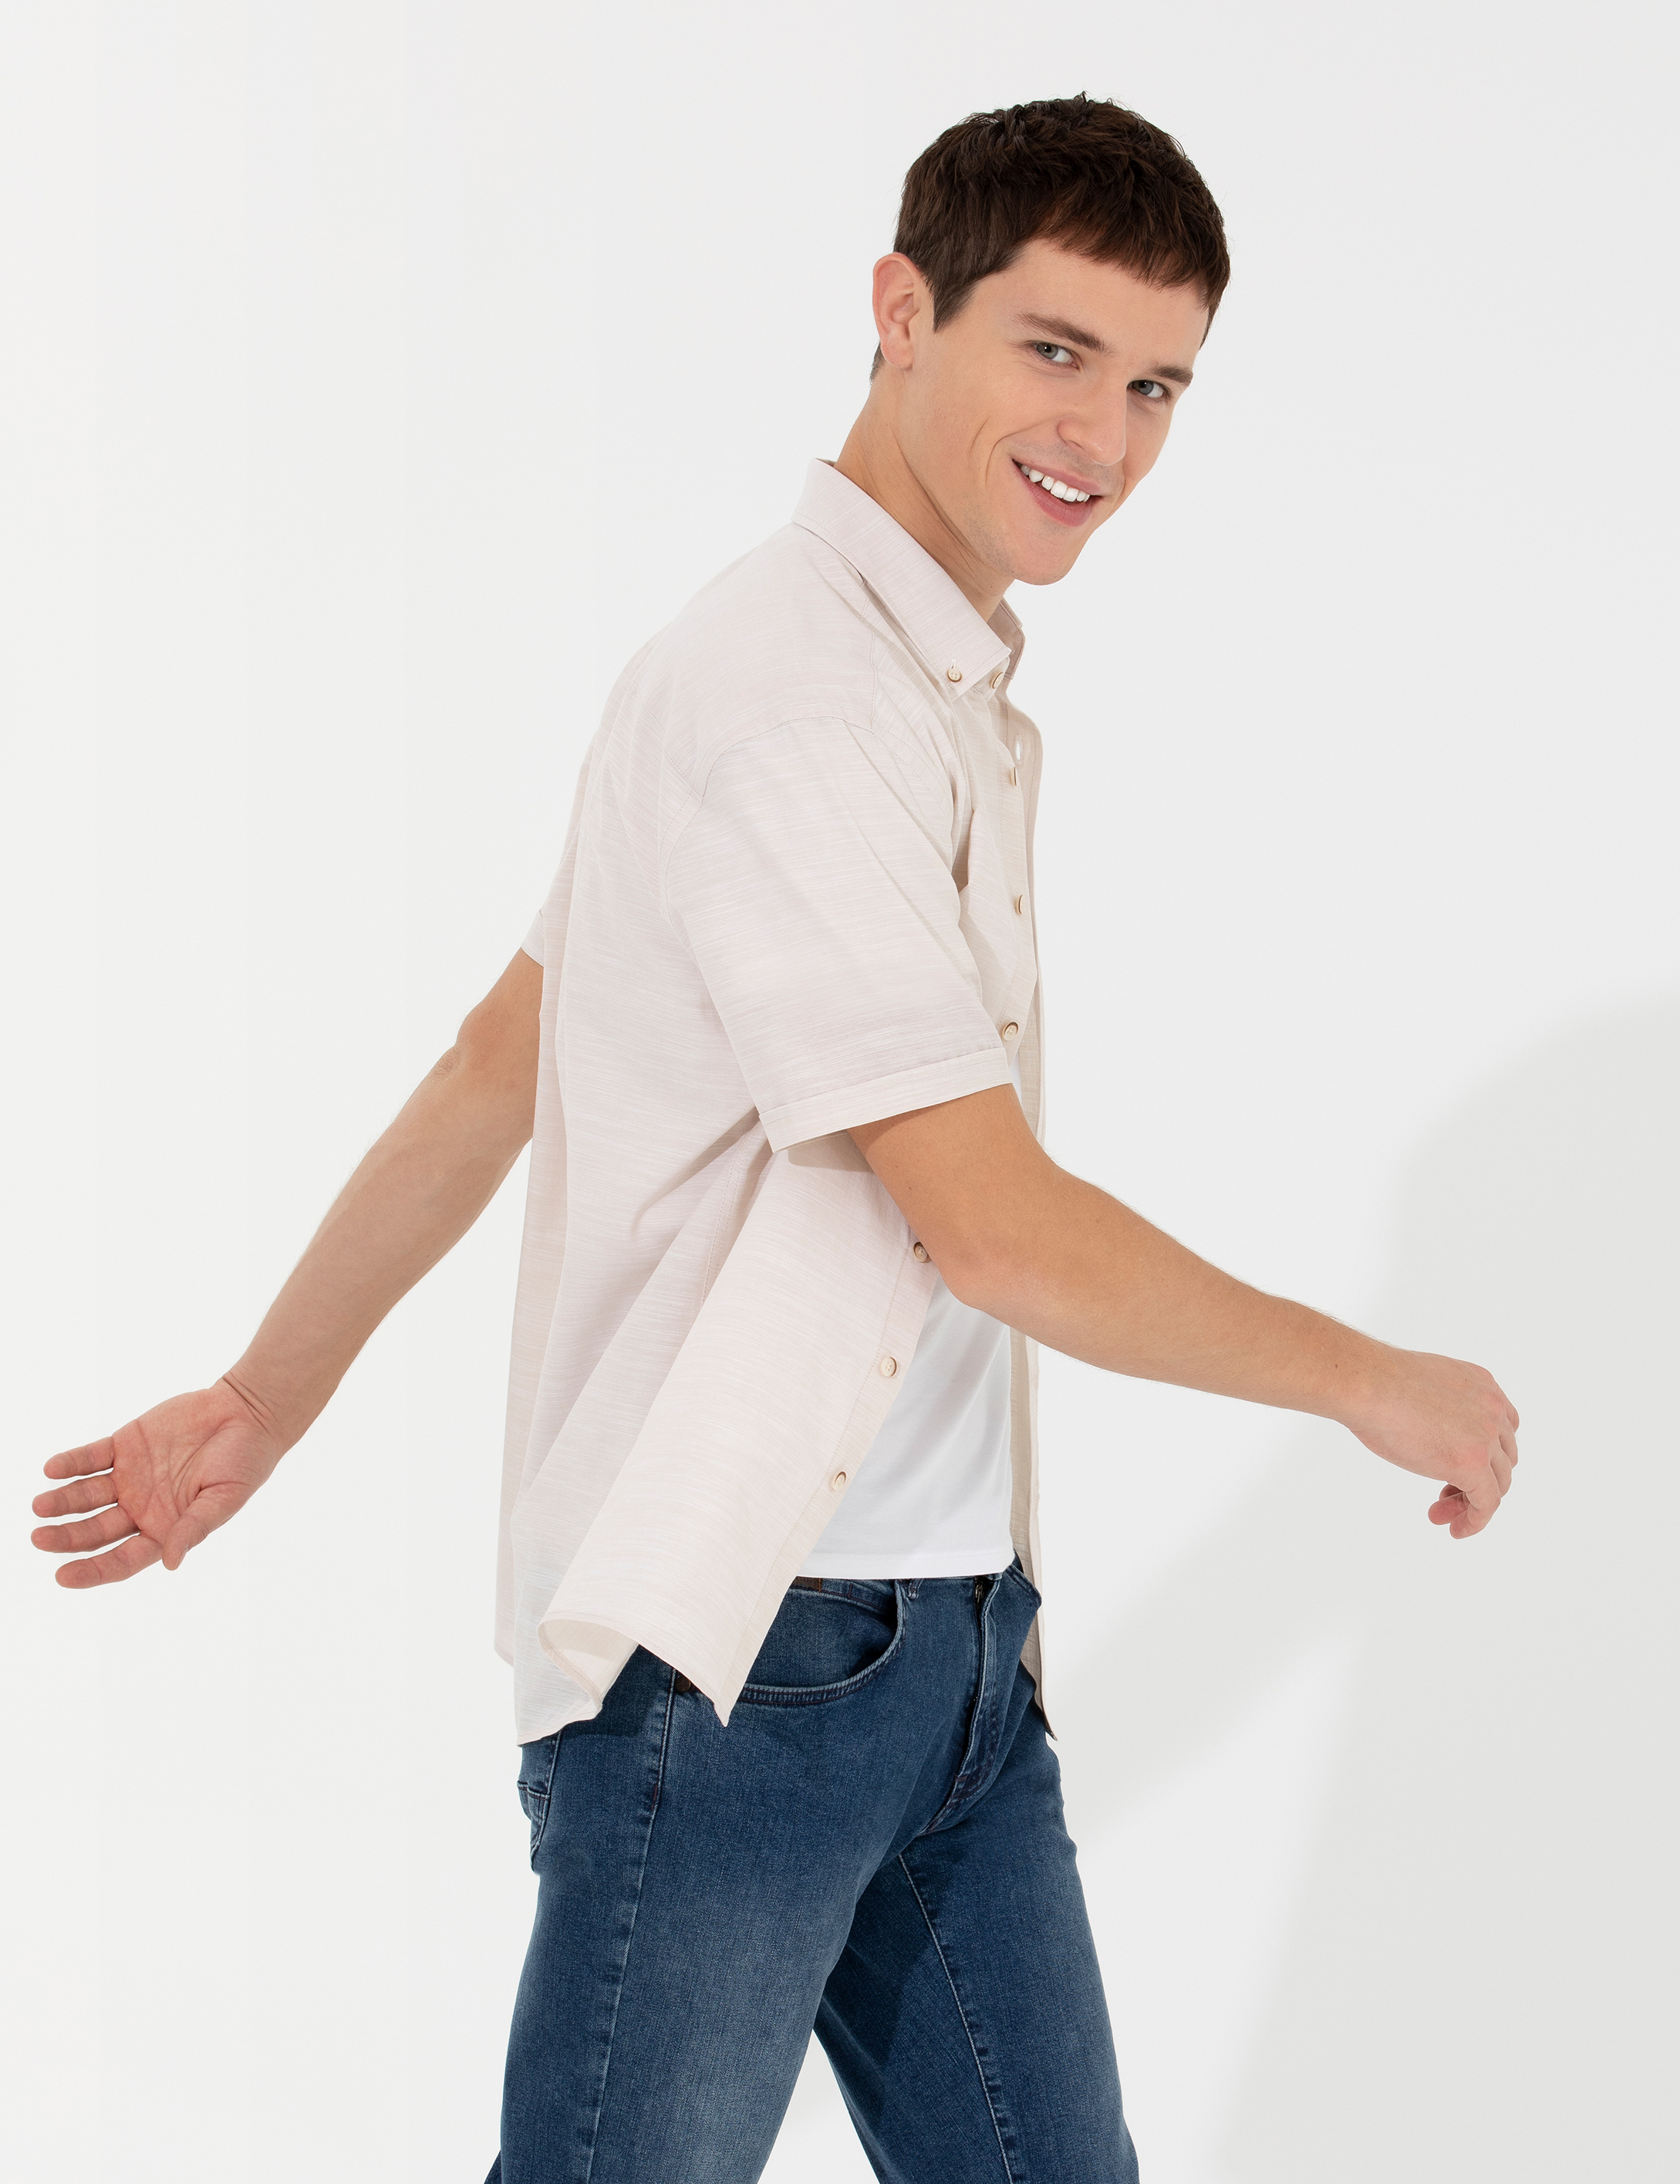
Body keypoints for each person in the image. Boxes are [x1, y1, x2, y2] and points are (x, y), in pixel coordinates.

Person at [31, 95, 1519, 2184]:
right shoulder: (794, 696)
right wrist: (1369, 1379)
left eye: (1157, 384)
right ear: (901, 309)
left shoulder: (914, 685)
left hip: (950, 1652)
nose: (1103, 431)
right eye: (1056, 348)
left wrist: (264, 1397)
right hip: (749, 1671)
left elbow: (504, 1059)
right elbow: (989, 1227)